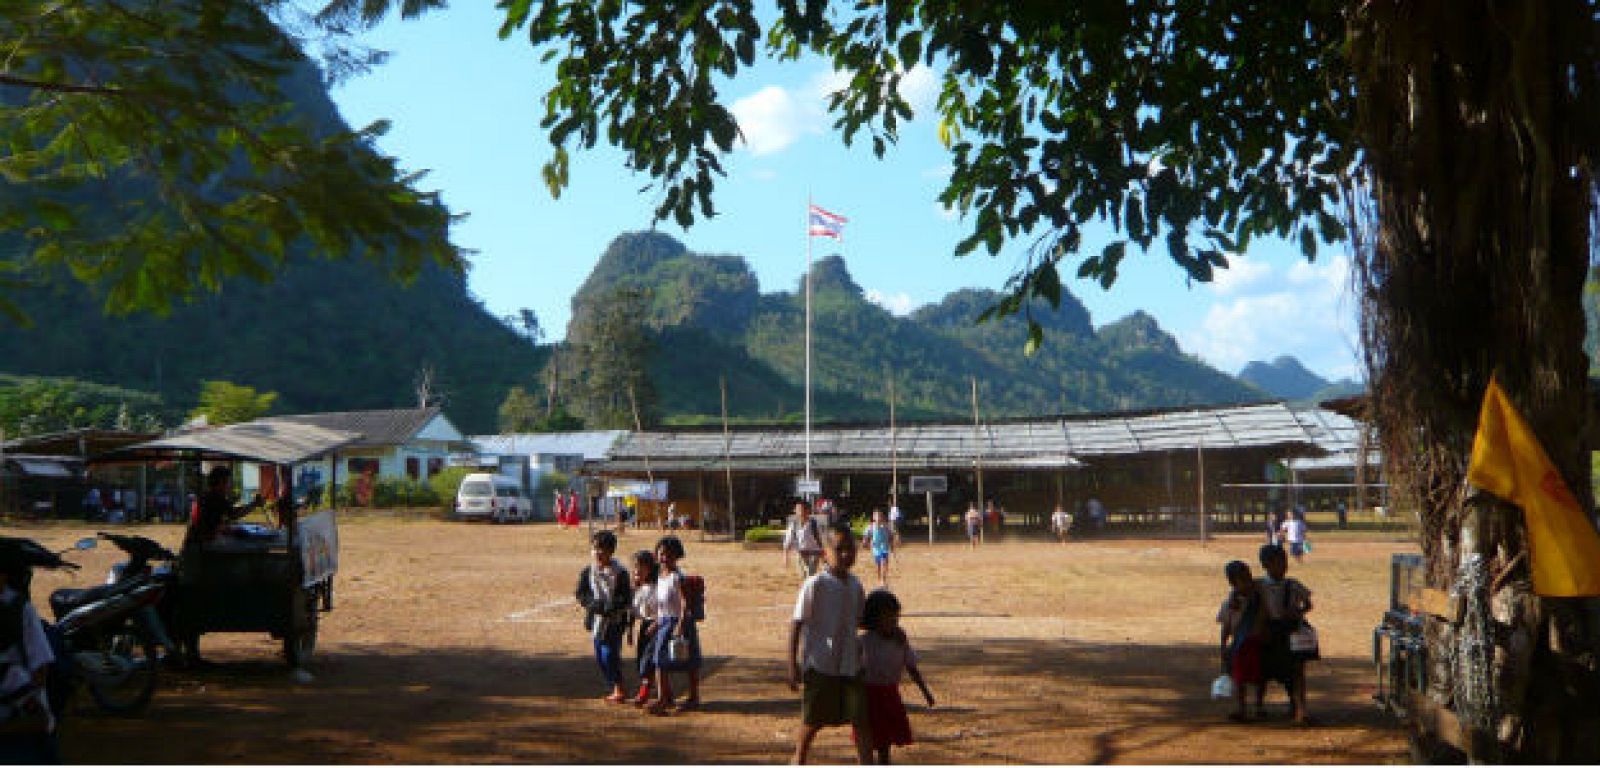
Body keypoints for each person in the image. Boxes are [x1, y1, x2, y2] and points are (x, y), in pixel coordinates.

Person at [787, 522, 871, 764]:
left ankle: (867, 761)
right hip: (821, 663)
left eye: (850, 549)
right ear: (825, 553)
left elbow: (860, 622)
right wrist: (792, 665)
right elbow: (796, 623)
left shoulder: (856, 585)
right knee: (814, 719)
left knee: (861, 719)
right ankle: (799, 757)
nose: (846, 554)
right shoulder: (815, 585)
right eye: (839, 549)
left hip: (850, 663)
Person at [0, 541, 60, 764]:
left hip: (20, 723)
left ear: (4, 577)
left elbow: (40, 670)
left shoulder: (20, 609)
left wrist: (25, 700)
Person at [859, 589, 934, 765]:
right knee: (866, 742)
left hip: (889, 696)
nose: (893, 621)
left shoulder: (900, 641)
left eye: (896, 617)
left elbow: (911, 667)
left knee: (885, 743)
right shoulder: (863, 642)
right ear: (874, 618)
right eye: (887, 617)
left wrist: (925, 691)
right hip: (868, 698)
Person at [1256, 544, 1314, 723]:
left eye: (1285, 562)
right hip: (1267, 631)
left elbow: (1308, 604)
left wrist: (1298, 611)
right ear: (1266, 565)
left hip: (1290, 630)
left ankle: (1299, 708)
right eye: (1278, 563)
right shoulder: (1259, 586)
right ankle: (1259, 705)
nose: (1283, 566)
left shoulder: (1293, 584)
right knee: (1262, 671)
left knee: (1296, 671)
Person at [575, 530, 633, 703]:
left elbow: (625, 597)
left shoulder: (620, 572)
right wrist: (593, 605)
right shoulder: (588, 571)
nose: (598, 553)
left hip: (614, 621)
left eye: (602, 549)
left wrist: (610, 607)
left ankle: (619, 688)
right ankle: (615, 684)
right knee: (600, 656)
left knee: (609, 654)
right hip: (596, 621)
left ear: (611, 551)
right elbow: (581, 593)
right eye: (595, 548)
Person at [648, 535, 701, 714]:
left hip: (679, 622)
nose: (664, 558)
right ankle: (664, 698)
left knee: (689, 662)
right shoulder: (661, 576)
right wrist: (657, 623)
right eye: (661, 554)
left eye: (668, 555)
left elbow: (684, 604)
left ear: (676, 556)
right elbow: (662, 605)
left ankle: (693, 697)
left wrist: (680, 625)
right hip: (665, 622)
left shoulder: (677, 577)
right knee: (659, 661)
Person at [1217, 560, 1267, 722]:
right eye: (1243, 580)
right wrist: (1223, 646)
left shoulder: (1259, 597)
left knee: (1260, 677)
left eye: (1248, 577)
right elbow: (1225, 627)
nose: (1248, 582)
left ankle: (1259, 705)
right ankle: (1242, 707)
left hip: (1257, 644)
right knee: (1239, 679)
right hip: (1240, 647)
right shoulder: (1230, 605)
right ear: (1233, 583)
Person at [628, 550, 659, 707]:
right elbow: (633, 612)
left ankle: (645, 691)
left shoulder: (657, 586)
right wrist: (630, 630)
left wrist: (656, 624)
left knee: (649, 659)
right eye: (635, 567)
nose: (637, 570)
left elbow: (666, 608)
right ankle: (650, 687)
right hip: (645, 626)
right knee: (641, 657)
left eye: (641, 567)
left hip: (658, 626)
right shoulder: (637, 588)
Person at [783, 501, 825, 578]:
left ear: (808, 511)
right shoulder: (793, 525)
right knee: (803, 575)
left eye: (802, 509)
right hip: (801, 553)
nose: (800, 512)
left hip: (814, 552)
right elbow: (787, 541)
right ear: (795, 511)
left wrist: (824, 554)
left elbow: (822, 539)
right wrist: (786, 557)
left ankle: (810, 587)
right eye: (798, 509)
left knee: (810, 573)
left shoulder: (815, 524)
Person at [860, 509, 894, 588]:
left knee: (884, 562)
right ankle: (879, 580)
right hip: (876, 549)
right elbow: (866, 537)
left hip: (884, 548)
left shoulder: (886, 527)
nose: (878, 518)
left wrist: (891, 545)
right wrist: (865, 543)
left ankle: (883, 580)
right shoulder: (870, 527)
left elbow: (890, 536)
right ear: (874, 518)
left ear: (882, 518)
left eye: (880, 516)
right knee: (878, 566)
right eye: (876, 516)